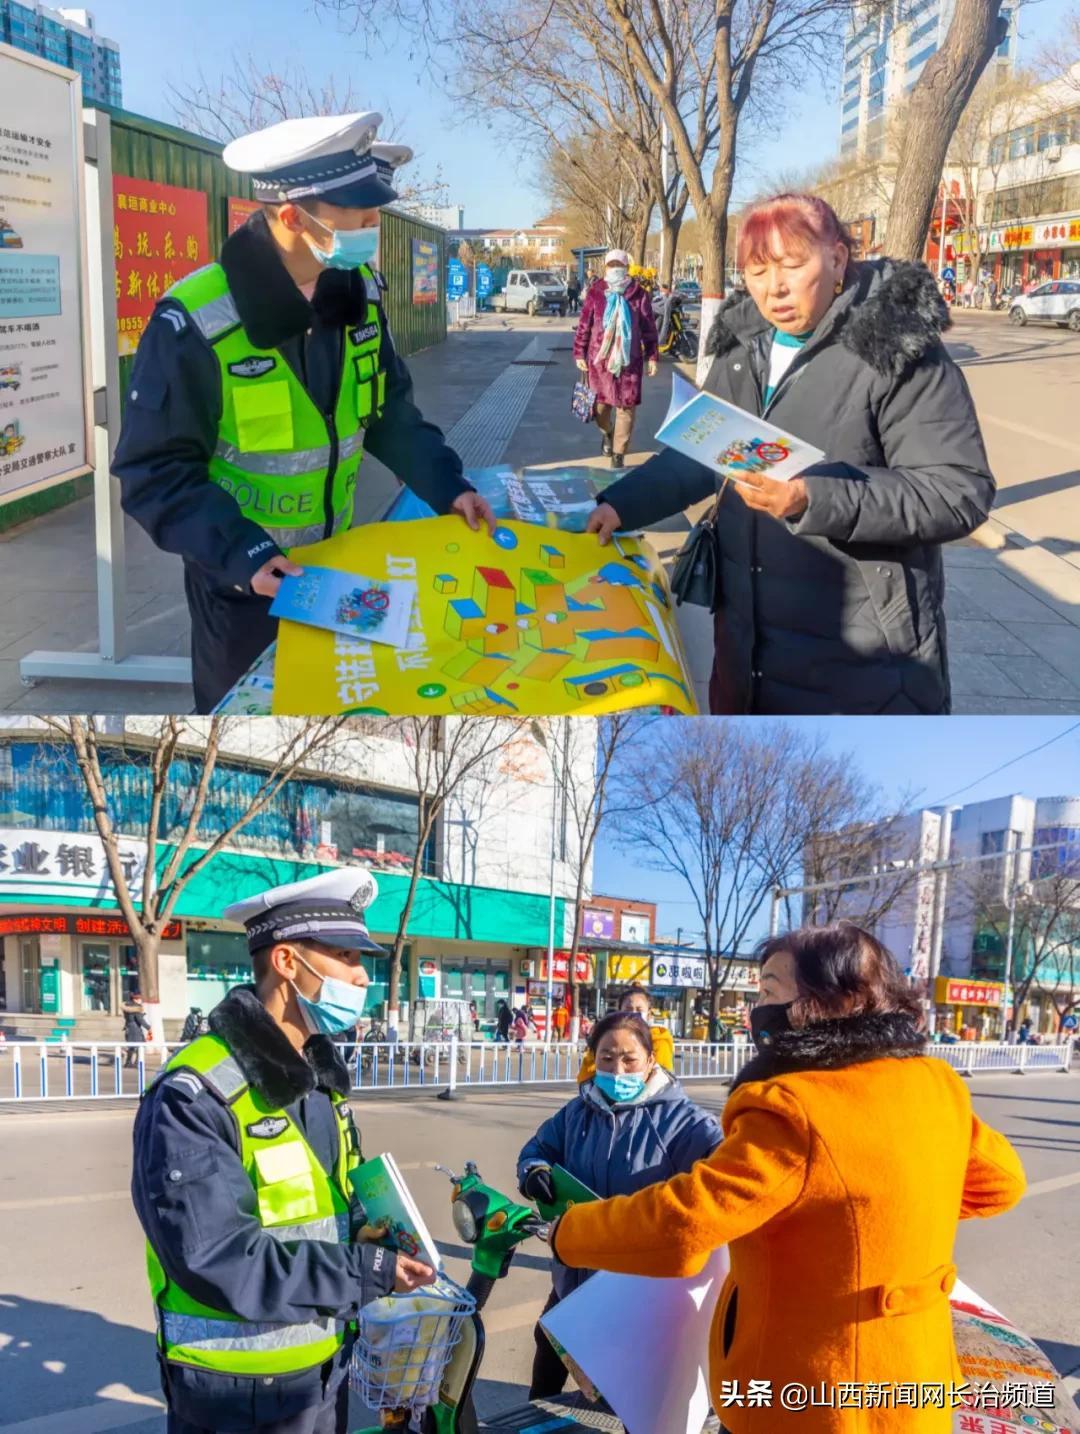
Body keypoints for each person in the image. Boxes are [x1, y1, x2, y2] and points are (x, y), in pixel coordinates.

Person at [548, 922, 1025, 1433]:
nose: (757, 1010)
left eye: (771, 991)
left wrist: (569, 1231)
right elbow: (1001, 1183)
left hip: (810, 1397)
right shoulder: (936, 1083)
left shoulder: (794, 1106)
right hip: (914, 1386)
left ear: (836, 999)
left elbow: (682, 1223)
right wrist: (877, 1211)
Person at [112, 112, 495, 714]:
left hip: (333, 571)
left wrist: (449, 486)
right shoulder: (194, 320)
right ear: (293, 217)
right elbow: (153, 472)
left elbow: (389, 414)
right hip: (240, 584)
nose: (373, 229)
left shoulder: (359, 294)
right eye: (359, 216)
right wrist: (245, 554)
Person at [587, 193, 995, 715]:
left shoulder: (896, 348)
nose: (773, 288)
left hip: (862, 665)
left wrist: (813, 498)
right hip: (745, 651)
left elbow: (958, 491)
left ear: (837, 259)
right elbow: (704, 451)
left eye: (792, 265)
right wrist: (621, 505)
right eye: (757, 271)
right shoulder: (742, 344)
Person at [131, 869, 435, 1434]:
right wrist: (365, 1269)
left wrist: (374, 1234)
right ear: (288, 962)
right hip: (234, 1393)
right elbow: (217, 1257)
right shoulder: (194, 1094)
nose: (361, 976)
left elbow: (326, 1211)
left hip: (321, 1369)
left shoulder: (318, 1083)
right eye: (345, 956)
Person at [518, 1010, 722, 1399]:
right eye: (607, 1058)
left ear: (651, 1059)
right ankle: (536, 1415)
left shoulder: (684, 1121)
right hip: (576, 1268)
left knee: (633, 1381)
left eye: (629, 1058)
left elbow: (726, 1168)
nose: (617, 1069)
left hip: (642, 1282)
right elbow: (538, 1149)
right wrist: (534, 1171)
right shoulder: (577, 1112)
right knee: (551, 1343)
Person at [573, 248, 659, 471]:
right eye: (611, 266)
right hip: (600, 362)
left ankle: (619, 454)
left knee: (626, 409)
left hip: (629, 362)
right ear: (605, 268)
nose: (615, 269)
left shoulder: (639, 294)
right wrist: (579, 352)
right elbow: (584, 325)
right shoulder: (596, 292)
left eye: (619, 266)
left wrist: (652, 356)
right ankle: (608, 432)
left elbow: (649, 329)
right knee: (600, 408)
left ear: (626, 268)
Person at [578, 984, 674, 1082]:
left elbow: (663, 1079)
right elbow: (587, 1076)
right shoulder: (606, 1037)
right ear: (619, 1012)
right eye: (628, 1009)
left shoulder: (659, 1040)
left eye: (639, 1009)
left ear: (649, 1014)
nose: (633, 1013)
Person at [121, 992, 151, 1068]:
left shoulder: (127, 1006)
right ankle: (136, 1062)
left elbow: (130, 1017)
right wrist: (148, 1027)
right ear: (135, 999)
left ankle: (128, 1062)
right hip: (135, 1029)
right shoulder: (136, 1008)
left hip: (129, 1027)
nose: (140, 1000)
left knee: (131, 1046)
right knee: (140, 1046)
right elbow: (140, 1019)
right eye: (139, 999)